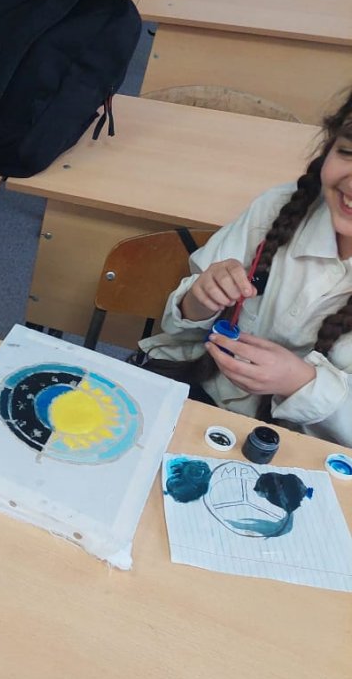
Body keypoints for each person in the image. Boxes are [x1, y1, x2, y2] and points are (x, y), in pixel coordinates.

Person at [138, 88, 352, 446]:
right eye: (348, 152)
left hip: (300, 449)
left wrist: (301, 383)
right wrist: (200, 299)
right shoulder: (278, 207)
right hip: (194, 395)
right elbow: (179, 328)